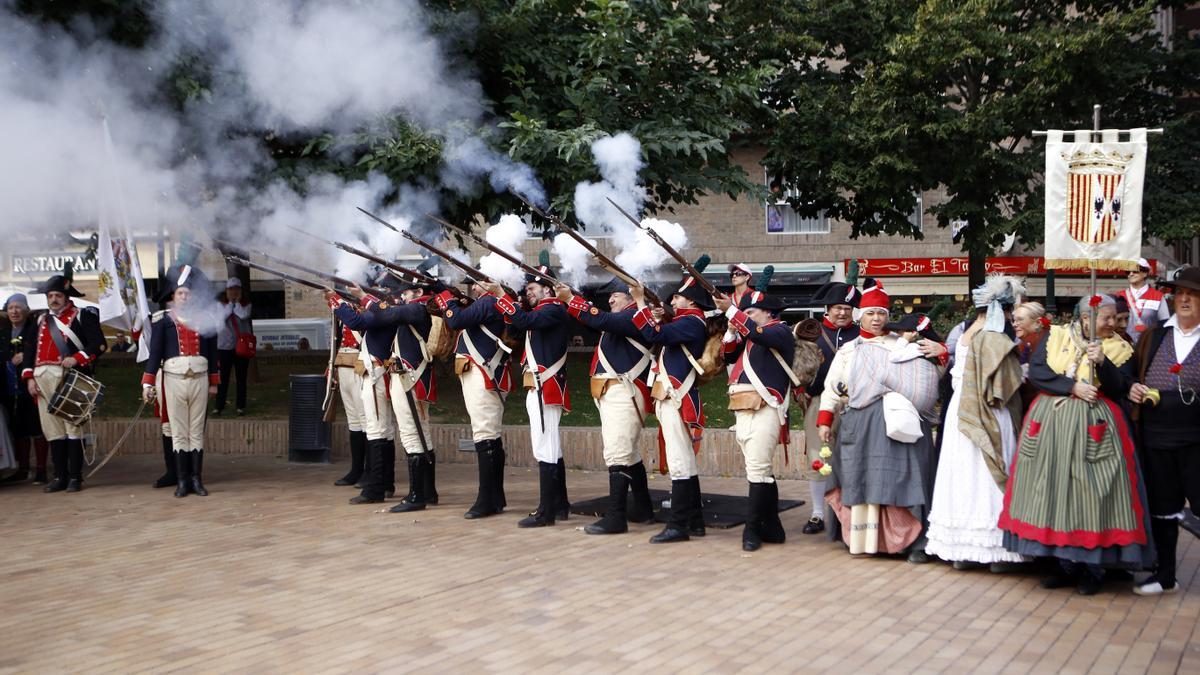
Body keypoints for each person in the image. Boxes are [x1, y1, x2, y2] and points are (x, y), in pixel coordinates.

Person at [998, 294, 1154, 596]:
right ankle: (1062, 565)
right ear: (1085, 318)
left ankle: (1092, 568)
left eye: (1112, 317)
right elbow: (1040, 373)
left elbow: (1121, 385)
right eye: (1105, 317)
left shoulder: (1120, 348)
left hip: (1095, 426)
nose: (1113, 322)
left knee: (1091, 495)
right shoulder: (1054, 336)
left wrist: (1102, 364)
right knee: (1054, 492)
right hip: (1052, 427)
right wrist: (1072, 387)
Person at [817, 279, 946, 562]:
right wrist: (825, 421)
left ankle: (911, 541)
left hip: (901, 426)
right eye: (871, 313)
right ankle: (867, 539)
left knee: (902, 480)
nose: (877, 319)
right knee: (861, 481)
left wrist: (942, 352)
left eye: (881, 314)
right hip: (859, 426)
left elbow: (929, 377)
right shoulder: (848, 350)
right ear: (859, 315)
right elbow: (832, 388)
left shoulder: (903, 344)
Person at [925, 276, 1029, 571]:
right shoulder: (995, 336)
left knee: (962, 475)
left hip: (962, 410)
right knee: (990, 470)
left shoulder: (965, 332)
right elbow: (1003, 385)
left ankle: (961, 549)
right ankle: (997, 550)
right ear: (1004, 310)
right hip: (989, 410)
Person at [558, 278, 655, 535]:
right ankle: (643, 509)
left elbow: (599, 319)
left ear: (632, 297)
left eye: (616, 295)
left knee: (617, 454)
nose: (610, 299)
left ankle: (616, 517)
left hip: (625, 392)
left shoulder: (635, 316)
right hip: (615, 392)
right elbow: (594, 320)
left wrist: (570, 299)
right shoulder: (624, 318)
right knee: (629, 453)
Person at [483, 257, 571, 528]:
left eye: (533, 287)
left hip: (547, 385)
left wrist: (500, 296)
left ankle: (547, 512)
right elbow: (520, 321)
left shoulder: (554, 307)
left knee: (545, 447)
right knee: (548, 447)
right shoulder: (542, 310)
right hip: (539, 384)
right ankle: (559, 505)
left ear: (548, 289)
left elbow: (521, 321)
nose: (527, 292)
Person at [1129, 266, 1198, 596]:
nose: (1183, 299)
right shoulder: (1154, 335)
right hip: (1157, 435)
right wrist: (1132, 387)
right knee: (1163, 506)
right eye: (1179, 293)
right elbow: (1130, 374)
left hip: (1196, 437)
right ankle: (1165, 575)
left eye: (1192, 294)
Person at [631, 275, 712, 544]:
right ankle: (695, 521)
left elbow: (653, 334)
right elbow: (664, 331)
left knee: (679, 461)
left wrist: (640, 302)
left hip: (676, 396)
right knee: (684, 459)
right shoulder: (685, 320)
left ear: (690, 301)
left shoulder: (691, 321)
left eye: (676, 297)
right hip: (673, 395)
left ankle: (678, 525)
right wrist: (661, 315)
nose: (671, 301)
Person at [715, 293, 797, 551]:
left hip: (765, 406)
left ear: (769, 313)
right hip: (744, 406)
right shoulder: (751, 335)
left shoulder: (779, 331)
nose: (746, 317)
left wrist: (732, 312)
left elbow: (758, 334)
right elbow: (727, 355)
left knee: (758, 470)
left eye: (751, 312)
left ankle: (751, 531)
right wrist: (731, 330)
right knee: (759, 469)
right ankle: (771, 526)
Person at [22, 269, 105, 493]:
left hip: (70, 377)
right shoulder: (40, 320)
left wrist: (76, 359)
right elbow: (29, 351)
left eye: (58, 295)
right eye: (50, 296)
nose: (54, 300)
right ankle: (60, 476)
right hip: (42, 379)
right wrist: (29, 378)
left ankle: (75, 477)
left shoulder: (82, 315)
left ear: (67, 297)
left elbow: (98, 345)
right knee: (53, 430)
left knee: (72, 428)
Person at [141, 266, 220, 498]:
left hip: (200, 379)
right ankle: (183, 480)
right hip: (173, 380)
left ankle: (196, 479)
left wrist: (214, 381)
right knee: (178, 432)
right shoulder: (163, 322)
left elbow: (213, 354)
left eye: (188, 293)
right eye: (180, 293)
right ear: (173, 297)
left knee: (196, 431)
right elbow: (155, 355)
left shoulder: (206, 321)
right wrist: (147, 382)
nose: (185, 297)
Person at [437, 275, 511, 519]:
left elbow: (456, 319)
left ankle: (487, 499)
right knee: (488, 434)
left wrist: (446, 297)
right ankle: (495, 497)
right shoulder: (486, 302)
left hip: (484, 373)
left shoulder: (490, 301)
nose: (473, 288)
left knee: (485, 434)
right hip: (480, 373)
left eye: (477, 283)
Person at [365, 279, 439, 514]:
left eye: (406, 292)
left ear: (418, 292)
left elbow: (389, 315)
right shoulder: (418, 308)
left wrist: (365, 299)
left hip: (410, 378)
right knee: (420, 433)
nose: (402, 297)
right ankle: (427, 490)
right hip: (410, 377)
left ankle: (417, 495)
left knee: (411, 434)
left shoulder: (418, 308)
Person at [327, 279, 400, 505]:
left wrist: (335, 300)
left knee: (376, 428)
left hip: (372, 369)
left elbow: (356, 321)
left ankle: (376, 484)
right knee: (369, 425)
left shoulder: (384, 310)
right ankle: (376, 479)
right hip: (358, 364)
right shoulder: (378, 308)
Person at [800, 280, 861, 535]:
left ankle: (847, 512)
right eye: (838, 307)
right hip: (818, 404)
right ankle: (817, 514)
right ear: (828, 308)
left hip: (854, 405)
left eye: (847, 308)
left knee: (851, 460)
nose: (843, 313)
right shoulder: (809, 332)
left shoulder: (860, 335)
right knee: (819, 459)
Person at [1, 293, 48, 484]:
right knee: (18, 430)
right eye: (11, 308)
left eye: (18, 307)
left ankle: (41, 470)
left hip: (30, 386)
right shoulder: (3, 332)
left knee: (36, 428)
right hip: (9, 390)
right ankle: (23, 468)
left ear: (26, 310)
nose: (14, 311)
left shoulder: (34, 329)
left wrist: (25, 357)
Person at [330, 301, 368, 489]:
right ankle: (356, 469)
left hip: (360, 363)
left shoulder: (364, 308)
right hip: (343, 363)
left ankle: (370, 470)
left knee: (365, 419)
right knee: (353, 420)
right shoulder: (342, 309)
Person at [214, 278, 252, 416]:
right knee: (222, 378)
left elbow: (243, 315)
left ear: (241, 291)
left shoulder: (246, 305)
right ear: (226, 291)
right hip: (224, 346)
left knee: (241, 378)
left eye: (236, 289)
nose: (234, 292)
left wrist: (236, 304)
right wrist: (231, 304)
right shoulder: (220, 305)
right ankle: (219, 406)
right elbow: (222, 317)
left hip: (241, 347)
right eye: (231, 289)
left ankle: (240, 406)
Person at [1012, 301, 1050, 413]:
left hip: (1043, 410)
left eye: (1020, 320)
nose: (1014, 324)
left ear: (1038, 323)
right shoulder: (1022, 345)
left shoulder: (1049, 343)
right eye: (1014, 320)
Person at [1123, 258, 1169, 343]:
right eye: (1128, 272)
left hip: (1149, 346)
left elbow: (1165, 324)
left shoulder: (1158, 296)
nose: (1130, 274)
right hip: (1124, 348)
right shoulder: (1120, 295)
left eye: (1135, 271)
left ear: (1145, 273)